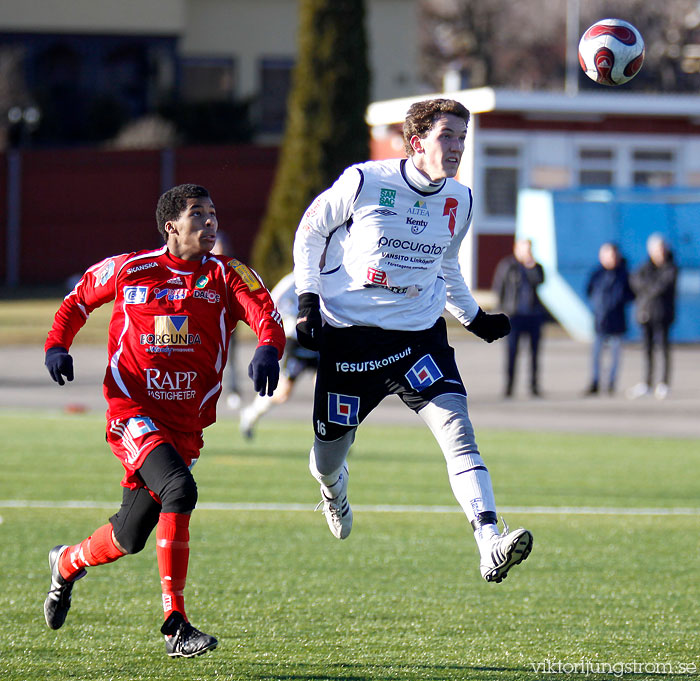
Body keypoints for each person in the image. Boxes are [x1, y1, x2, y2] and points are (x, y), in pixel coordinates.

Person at [293, 98, 533, 584]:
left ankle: (489, 540)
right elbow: (310, 232)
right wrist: (307, 299)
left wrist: (473, 318)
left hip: (418, 339)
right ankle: (334, 491)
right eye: (448, 136)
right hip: (351, 341)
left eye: (463, 138)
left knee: (458, 431)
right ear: (417, 140)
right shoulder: (366, 180)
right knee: (326, 458)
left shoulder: (460, 200)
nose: (457, 147)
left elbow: (446, 265)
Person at [42, 184, 285, 657]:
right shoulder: (131, 268)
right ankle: (176, 624)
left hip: (184, 426)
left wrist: (268, 349)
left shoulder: (227, 275)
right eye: (199, 215)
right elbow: (77, 301)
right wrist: (57, 344)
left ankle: (66, 563)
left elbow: (266, 314)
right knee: (180, 490)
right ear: (171, 226)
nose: (211, 223)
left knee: (128, 536)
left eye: (214, 214)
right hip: (131, 411)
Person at [239, 271, 320, 439]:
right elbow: (273, 300)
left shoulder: (327, 277)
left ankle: (333, 437)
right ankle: (251, 413)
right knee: (283, 393)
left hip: (319, 342)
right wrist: (295, 315)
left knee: (325, 388)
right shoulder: (294, 280)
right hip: (297, 341)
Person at [492, 239, 546, 398]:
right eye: (524, 248)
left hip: (533, 315)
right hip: (514, 316)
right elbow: (499, 288)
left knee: (534, 353)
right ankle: (509, 387)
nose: (527, 252)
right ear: (516, 249)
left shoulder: (536, 267)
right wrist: (501, 312)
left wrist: (531, 266)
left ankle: (534, 386)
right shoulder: (508, 265)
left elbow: (540, 281)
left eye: (529, 249)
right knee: (512, 352)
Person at [627, 233, 678, 400]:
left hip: (663, 314)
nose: (659, 252)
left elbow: (662, 286)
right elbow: (635, 281)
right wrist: (648, 289)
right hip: (646, 313)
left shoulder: (671, 267)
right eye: (656, 249)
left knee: (663, 348)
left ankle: (663, 383)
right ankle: (647, 383)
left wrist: (647, 289)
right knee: (647, 350)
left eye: (662, 248)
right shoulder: (644, 267)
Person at [584, 242, 634, 395]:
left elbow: (631, 294)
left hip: (617, 319)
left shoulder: (624, 274)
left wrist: (617, 301)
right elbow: (589, 291)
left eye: (612, 254)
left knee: (615, 354)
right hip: (600, 319)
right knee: (597, 354)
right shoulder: (596, 274)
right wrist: (599, 305)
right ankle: (595, 381)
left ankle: (611, 383)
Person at [211, 231, 242, 409]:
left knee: (230, 357)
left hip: (227, 322)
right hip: (206, 323)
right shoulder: (201, 268)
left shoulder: (229, 269)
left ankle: (233, 390)